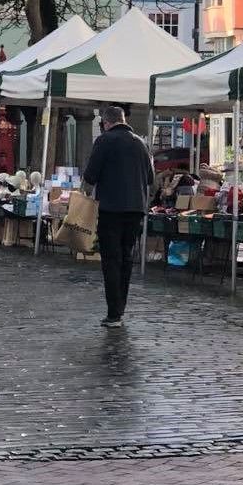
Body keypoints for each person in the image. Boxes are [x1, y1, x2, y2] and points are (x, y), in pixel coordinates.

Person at [83, 105, 154, 329]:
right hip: (135, 208)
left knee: (111, 260)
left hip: (111, 208)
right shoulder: (140, 143)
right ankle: (120, 308)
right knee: (125, 258)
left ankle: (114, 312)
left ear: (106, 123)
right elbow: (151, 178)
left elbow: (91, 175)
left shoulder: (104, 141)